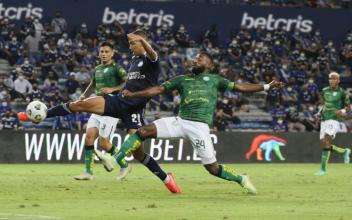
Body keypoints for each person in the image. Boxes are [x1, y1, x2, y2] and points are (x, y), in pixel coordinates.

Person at [18, 30, 181, 193]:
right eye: (130, 44)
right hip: (118, 101)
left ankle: (167, 179)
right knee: (79, 104)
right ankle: (42, 115)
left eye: (133, 44)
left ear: (142, 42)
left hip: (134, 110)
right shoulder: (133, 59)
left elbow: (152, 53)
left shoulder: (151, 60)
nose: (130, 47)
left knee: (139, 154)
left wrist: (142, 41)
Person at [113, 51, 284, 194]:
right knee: (142, 131)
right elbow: (158, 89)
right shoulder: (182, 79)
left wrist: (267, 86)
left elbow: (241, 87)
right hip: (180, 122)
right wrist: (134, 94)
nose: (195, 61)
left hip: (199, 127)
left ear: (209, 65)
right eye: (195, 59)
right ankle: (119, 157)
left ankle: (241, 179)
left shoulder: (215, 80)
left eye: (200, 59)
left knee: (213, 169)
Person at [73, 41, 131, 181]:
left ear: (112, 53)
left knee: (104, 143)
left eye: (106, 51)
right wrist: (84, 96)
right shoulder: (97, 69)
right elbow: (92, 85)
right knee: (89, 138)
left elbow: (127, 82)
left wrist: (113, 89)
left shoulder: (117, 68)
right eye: (102, 51)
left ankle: (125, 165)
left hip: (112, 108)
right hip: (97, 107)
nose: (104, 54)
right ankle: (89, 173)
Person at [314, 72, 351, 176]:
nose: (332, 80)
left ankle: (323, 170)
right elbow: (323, 104)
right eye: (330, 78)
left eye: (334, 79)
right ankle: (344, 152)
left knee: (326, 140)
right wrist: (318, 113)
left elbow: (348, 107)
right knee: (325, 144)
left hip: (334, 119)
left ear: (338, 80)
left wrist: (342, 111)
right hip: (324, 119)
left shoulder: (343, 93)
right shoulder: (325, 90)